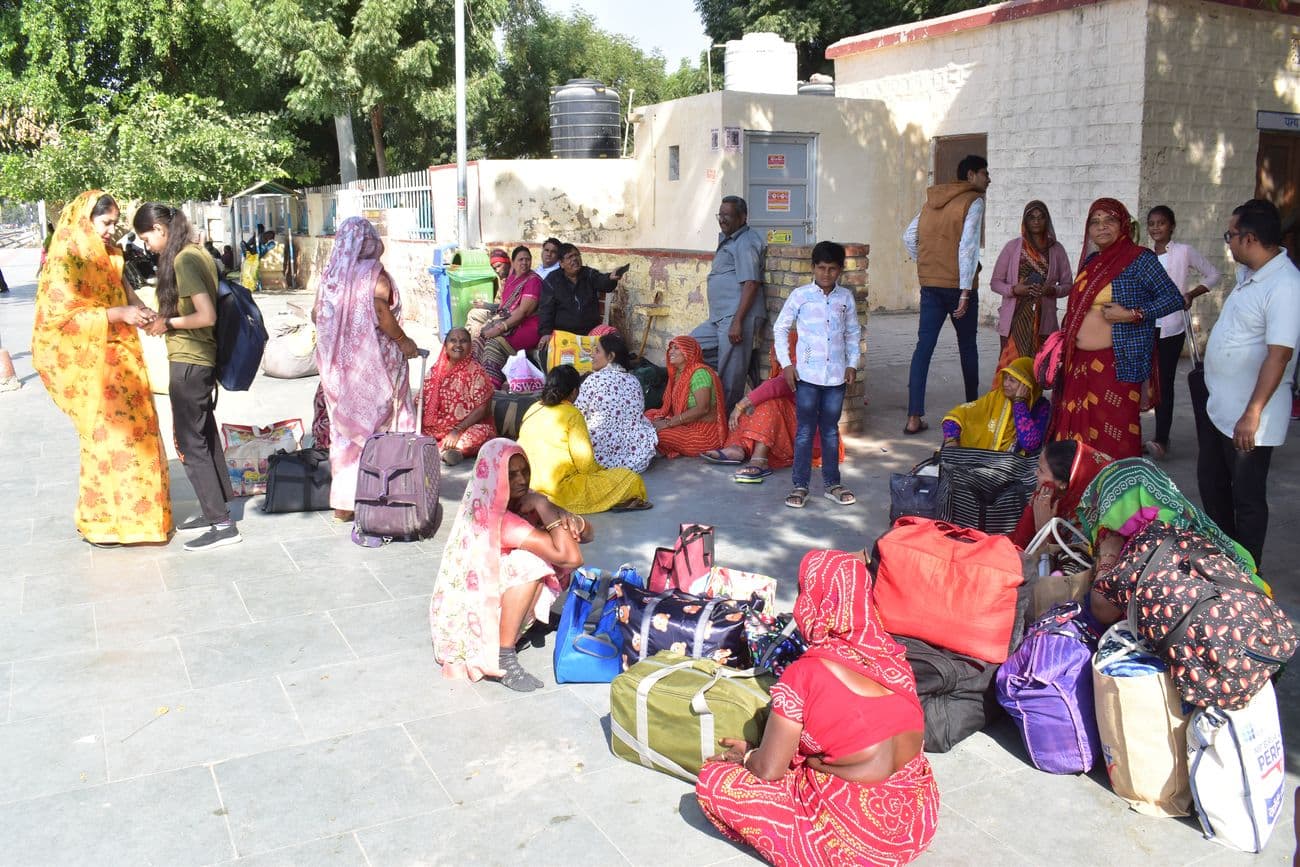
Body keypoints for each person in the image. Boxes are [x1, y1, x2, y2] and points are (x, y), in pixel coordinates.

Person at [696, 548, 939, 866]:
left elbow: (770, 770)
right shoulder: (893, 658)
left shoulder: (805, 674)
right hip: (915, 821)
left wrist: (746, 754)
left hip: (860, 843)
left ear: (814, 601)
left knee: (714, 781)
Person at [32, 191, 172, 547]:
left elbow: (126, 292)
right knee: (106, 442)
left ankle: (146, 521)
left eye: (113, 223)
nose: (111, 230)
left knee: (140, 435)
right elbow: (57, 322)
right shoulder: (66, 260)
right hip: (92, 368)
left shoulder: (111, 254)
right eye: (105, 223)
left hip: (125, 359)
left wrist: (143, 312)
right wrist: (116, 315)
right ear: (85, 220)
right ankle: (104, 524)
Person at [429, 439, 594, 691]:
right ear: (495, 474)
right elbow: (571, 558)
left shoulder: (505, 499)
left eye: (524, 471)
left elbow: (588, 535)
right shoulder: (499, 516)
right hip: (475, 621)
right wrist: (543, 505)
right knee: (532, 562)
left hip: (487, 598)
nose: (521, 479)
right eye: (512, 473)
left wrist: (566, 517)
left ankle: (530, 620)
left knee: (551, 545)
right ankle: (503, 655)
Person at [1197, 199, 1300, 568]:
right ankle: (1225, 554)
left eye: (1231, 235)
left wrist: (1253, 413)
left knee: (1248, 498)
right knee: (1212, 484)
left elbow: (1279, 355)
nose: (1228, 242)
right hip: (1220, 407)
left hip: (1249, 416)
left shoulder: (1285, 284)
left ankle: (1248, 571)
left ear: (1250, 238)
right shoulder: (1249, 275)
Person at [131, 203, 238, 550]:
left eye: (147, 238)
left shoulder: (184, 260)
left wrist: (168, 323)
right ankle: (218, 508)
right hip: (196, 360)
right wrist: (164, 316)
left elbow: (205, 316)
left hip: (191, 360)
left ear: (161, 229)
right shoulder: (196, 252)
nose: (147, 246)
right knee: (203, 433)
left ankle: (222, 524)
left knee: (189, 442)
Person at [1048, 198, 1183, 460]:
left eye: (1109, 220)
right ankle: (1079, 492)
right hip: (1080, 364)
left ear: (1123, 224)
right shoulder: (1091, 262)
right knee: (1077, 441)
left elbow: (1173, 298)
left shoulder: (1139, 259)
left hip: (1117, 365)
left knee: (1116, 435)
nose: (1102, 227)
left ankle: (1117, 494)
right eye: (1095, 222)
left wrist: (1133, 314)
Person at [314, 216, 419, 522]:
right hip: (377, 368)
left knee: (346, 435)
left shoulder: (331, 276)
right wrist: (403, 341)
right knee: (383, 428)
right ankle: (385, 493)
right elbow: (379, 310)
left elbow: (315, 315)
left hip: (339, 374)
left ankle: (345, 504)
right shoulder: (374, 275)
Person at [1077, 458, 1266, 626]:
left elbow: (1102, 611)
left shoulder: (1147, 545)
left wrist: (1108, 555)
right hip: (1257, 626)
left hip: (1222, 647)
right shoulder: (1185, 520)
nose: (1105, 519)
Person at [903, 154, 990, 435]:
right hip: (959, 287)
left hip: (930, 284)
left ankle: (914, 417)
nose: (988, 179)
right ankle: (973, 410)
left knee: (923, 349)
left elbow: (908, 236)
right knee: (967, 347)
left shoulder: (932, 201)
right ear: (971, 176)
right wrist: (965, 290)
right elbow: (967, 247)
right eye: (984, 173)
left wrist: (927, 263)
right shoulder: (973, 201)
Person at [772, 241, 860, 508]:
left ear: (840, 270)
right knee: (805, 432)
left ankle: (832, 484)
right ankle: (800, 486)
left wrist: (852, 363)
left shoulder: (845, 298)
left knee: (831, 431)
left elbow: (853, 333)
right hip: (806, 377)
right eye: (821, 268)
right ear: (812, 268)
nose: (826, 274)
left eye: (832, 269)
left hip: (835, 378)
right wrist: (787, 364)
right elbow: (780, 329)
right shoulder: (800, 296)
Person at [701, 332, 839, 484]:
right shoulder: (782, 370)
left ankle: (759, 460)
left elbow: (776, 386)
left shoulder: (801, 366)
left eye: (780, 349)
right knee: (759, 404)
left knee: (770, 404)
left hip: (812, 438)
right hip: (794, 429)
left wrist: (740, 405)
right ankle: (738, 448)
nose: (773, 354)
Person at [517, 365, 651, 513]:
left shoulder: (533, 408)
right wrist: (604, 473)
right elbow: (586, 466)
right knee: (631, 479)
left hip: (530, 487)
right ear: (574, 392)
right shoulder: (572, 414)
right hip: (559, 491)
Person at [1144, 205, 1221, 460]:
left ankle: (1161, 438)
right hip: (1143, 326)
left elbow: (1213, 274)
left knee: (1164, 382)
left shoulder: (1184, 252)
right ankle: (1132, 434)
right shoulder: (1143, 256)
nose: (1156, 228)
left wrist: (1191, 294)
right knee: (1140, 381)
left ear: (1172, 226)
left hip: (1171, 327)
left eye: (1161, 223)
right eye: (1152, 223)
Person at [691, 195, 766, 414]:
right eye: (720, 215)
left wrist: (738, 321)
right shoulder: (730, 238)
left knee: (731, 378)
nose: (722, 220)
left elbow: (751, 283)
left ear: (743, 217)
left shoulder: (745, 242)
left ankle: (724, 425)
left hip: (736, 317)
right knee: (689, 347)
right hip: (719, 318)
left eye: (728, 216)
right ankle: (742, 366)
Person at [990, 200, 1072, 367]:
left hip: (1043, 320)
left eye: (1041, 217)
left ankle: (1034, 395)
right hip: (1014, 320)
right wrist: (1014, 289)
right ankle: (1010, 394)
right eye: (1031, 217)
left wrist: (1052, 290)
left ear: (1047, 221)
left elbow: (1068, 284)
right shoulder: (1012, 248)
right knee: (1010, 366)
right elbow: (995, 283)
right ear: (1025, 221)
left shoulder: (1056, 250)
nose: (1036, 221)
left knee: (1038, 366)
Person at [573, 333, 658, 473]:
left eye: (597, 351)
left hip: (598, 455)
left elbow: (576, 415)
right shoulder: (634, 381)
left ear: (611, 356)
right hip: (635, 456)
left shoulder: (594, 379)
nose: (592, 356)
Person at [1009, 439, 1112, 549]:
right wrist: (1033, 508)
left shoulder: (1087, 524)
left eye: (1041, 470)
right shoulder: (1056, 495)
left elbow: (1057, 563)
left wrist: (1043, 527)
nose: (1035, 473)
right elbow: (1016, 544)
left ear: (1063, 483)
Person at [941, 357, 1050, 452]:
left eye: (1012, 380)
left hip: (1017, 467)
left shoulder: (1040, 407)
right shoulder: (996, 397)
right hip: (985, 461)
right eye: (1005, 378)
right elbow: (955, 416)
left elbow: (1030, 444)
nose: (1006, 384)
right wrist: (951, 440)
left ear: (1027, 384)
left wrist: (1019, 403)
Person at [421, 327, 495, 466]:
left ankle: (451, 451)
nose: (458, 345)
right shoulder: (436, 370)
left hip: (464, 429)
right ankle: (443, 449)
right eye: (453, 340)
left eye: (463, 341)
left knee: (484, 432)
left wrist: (457, 431)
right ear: (446, 345)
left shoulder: (477, 372)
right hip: (436, 429)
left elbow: (482, 409)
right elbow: (421, 399)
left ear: (470, 346)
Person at [645, 336, 728, 458]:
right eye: (670, 348)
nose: (671, 351)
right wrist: (663, 419)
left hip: (705, 434)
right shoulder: (678, 373)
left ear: (688, 352)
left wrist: (668, 423)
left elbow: (703, 408)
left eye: (676, 348)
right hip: (687, 424)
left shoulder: (699, 373)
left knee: (656, 433)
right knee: (648, 417)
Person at [475, 246, 543, 386]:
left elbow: (523, 312)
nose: (524, 263)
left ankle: (492, 387)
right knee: (478, 340)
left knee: (493, 343)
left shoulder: (533, 281)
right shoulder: (512, 278)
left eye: (527, 259)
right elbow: (504, 307)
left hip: (528, 326)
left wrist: (499, 328)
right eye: (520, 260)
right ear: (513, 262)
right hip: (511, 321)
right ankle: (477, 382)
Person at [536, 244, 624, 350]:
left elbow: (602, 282)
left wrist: (610, 278)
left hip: (590, 332)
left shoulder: (589, 273)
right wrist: (546, 332)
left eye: (577, 255)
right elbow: (546, 309)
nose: (575, 259)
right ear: (561, 263)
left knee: (613, 338)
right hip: (564, 334)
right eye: (570, 257)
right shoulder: (552, 280)